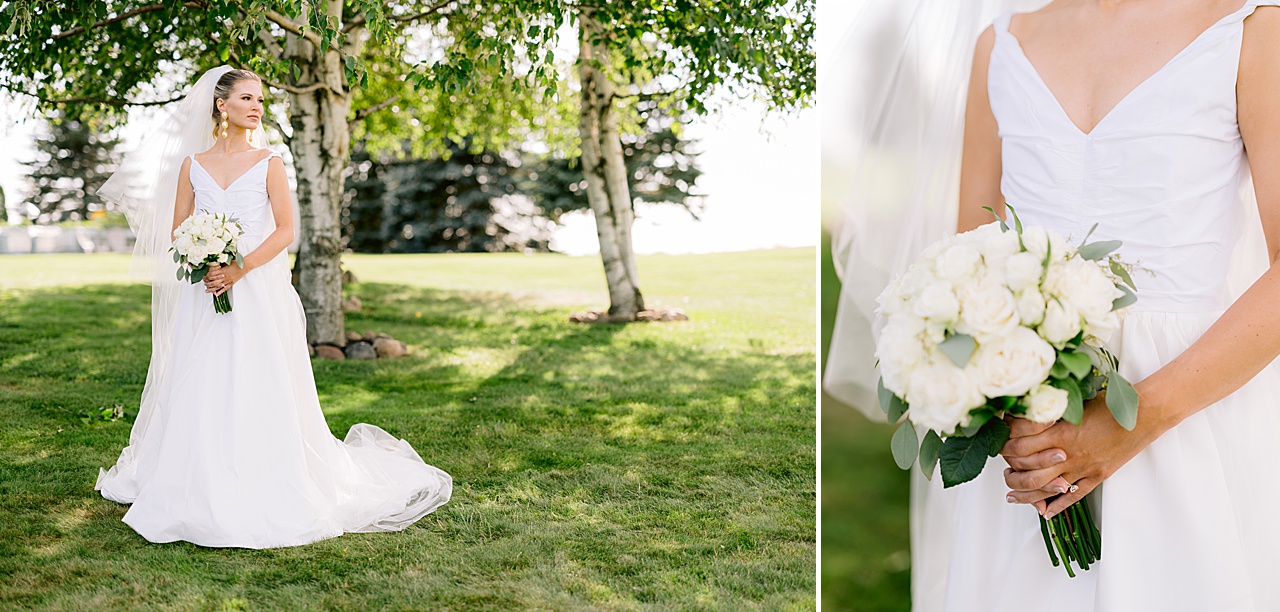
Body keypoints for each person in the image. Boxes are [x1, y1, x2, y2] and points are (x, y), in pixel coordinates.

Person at [826, 0, 1280, 608]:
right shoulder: (1002, 44)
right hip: (1032, 431)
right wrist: (1004, 398)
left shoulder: (1251, 31)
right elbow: (972, 259)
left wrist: (1131, 423)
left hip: (1189, 407)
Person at [95, 66, 452, 549]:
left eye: (260, 99)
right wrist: (204, 261)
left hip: (257, 288)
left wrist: (237, 268)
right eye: (246, 98)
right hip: (207, 292)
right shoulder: (192, 165)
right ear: (221, 106)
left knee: (255, 375)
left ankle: (265, 474)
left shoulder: (270, 163)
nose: (257, 106)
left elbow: (285, 230)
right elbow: (178, 230)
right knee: (203, 376)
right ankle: (196, 478)